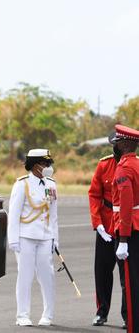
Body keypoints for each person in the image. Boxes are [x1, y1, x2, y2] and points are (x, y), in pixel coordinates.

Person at [7, 149, 59, 326]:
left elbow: (54, 215)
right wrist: (13, 239)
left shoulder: (51, 184)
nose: (47, 167)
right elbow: (13, 214)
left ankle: (48, 314)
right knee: (25, 276)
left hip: (45, 237)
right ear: (35, 165)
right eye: (44, 163)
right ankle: (22, 315)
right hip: (26, 236)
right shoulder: (22, 184)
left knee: (47, 275)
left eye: (48, 163)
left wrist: (55, 239)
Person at [88, 132, 127, 327]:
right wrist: (98, 224)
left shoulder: (133, 166)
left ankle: (128, 316)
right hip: (106, 226)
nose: (117, 148)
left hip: (125, 227)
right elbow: (94, 194)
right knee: (102, 273)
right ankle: (101, 312)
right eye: (116, 144)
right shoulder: (104, 165)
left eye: (120, 144)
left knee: (126, 275)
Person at [111, 124, 139, 333]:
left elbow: (126, 204)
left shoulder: (124, 168)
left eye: (118, 143)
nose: (116, 146)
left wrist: (123, 239)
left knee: (131, 285)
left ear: (124, 144)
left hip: (131, 231)